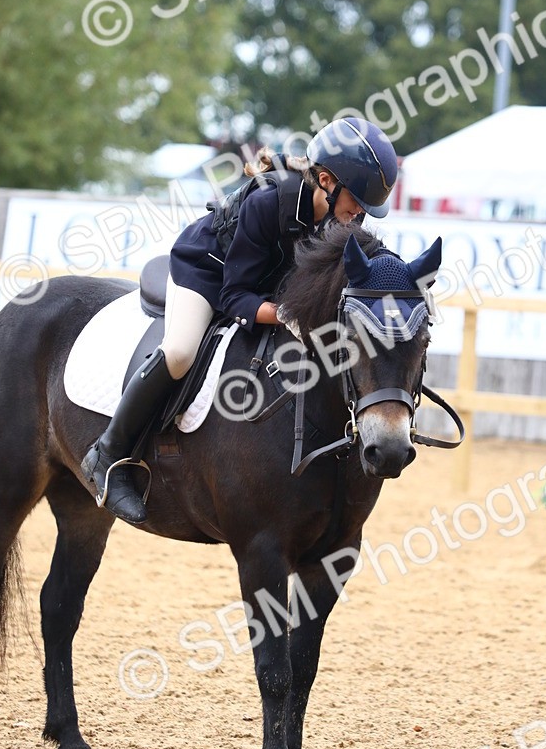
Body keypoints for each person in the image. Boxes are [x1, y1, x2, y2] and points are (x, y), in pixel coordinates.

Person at [80, 117, 399, 524]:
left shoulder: (343, 219)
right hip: (207, 273)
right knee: (179, 352)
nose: (359, 215)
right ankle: (108, 452)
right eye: (356, 201)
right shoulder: (269, 202)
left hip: (262, 285)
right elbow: (234, 296)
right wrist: (284, 315)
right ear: (325, 180)